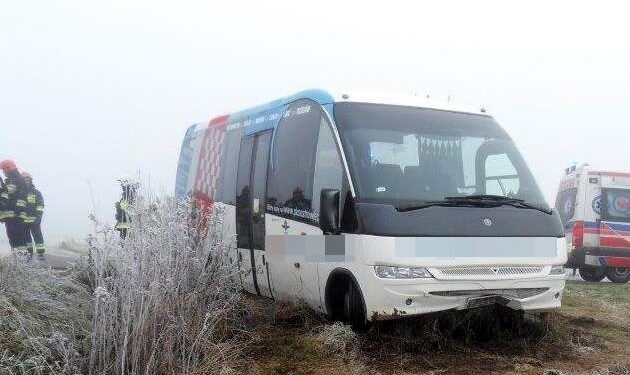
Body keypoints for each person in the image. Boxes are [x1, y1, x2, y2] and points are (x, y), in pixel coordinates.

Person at [0, 159, 29, 255]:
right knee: (13, 240)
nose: (3, 172)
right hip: (11, 216)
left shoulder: (18, 180)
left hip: (16, 216)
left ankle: (22, 261)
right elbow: (5, 196)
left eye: (4, 170)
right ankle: (16, 260)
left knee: (19, 240)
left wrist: (18, 211)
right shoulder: (10, 180)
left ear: (8, 169)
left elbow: (19, 196)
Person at [21, 172, 46, 258]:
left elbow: (40, 205)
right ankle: (29, 254)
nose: (26, 181)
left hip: (35, 220)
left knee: (38, 236)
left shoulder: (36, 193)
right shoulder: (19, 193)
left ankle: (41, 253)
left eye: (28, 179)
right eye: (24, 179)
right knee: (26, 239)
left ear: (30, 180)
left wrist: (39, 216)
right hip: (23, 220)